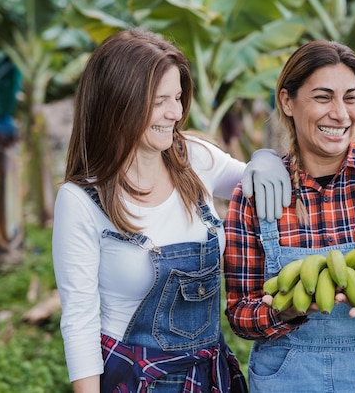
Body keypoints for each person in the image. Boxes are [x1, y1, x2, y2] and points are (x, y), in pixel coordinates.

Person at [52, 28, 291, 393]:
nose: (176, 113)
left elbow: (260, 183)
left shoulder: (194, 158)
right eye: (160, 100)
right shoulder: (81, 200)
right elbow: (80, 322)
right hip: (134, 378)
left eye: (178, 97)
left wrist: (266, 157)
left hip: (207, 375)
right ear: (119, 102)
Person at [224, 40, 355, 392]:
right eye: (323, 97)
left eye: (350, 98)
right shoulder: (257, 194)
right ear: (287, 102)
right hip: (291, 381)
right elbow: (239, 314)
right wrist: (284, 311)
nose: (340, 114)